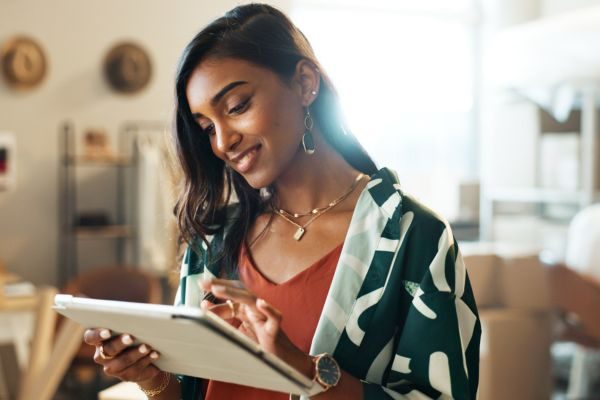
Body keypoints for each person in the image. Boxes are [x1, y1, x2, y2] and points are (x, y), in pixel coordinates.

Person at [84, 4, 481, 399]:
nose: (223, 143)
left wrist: (302, 369)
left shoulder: (415, 238)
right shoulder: (214, 241)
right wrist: (150, 377)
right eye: (207, 128)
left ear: (305, 83)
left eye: (237, 107)